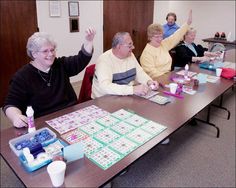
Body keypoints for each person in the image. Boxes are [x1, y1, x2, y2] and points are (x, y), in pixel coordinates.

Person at [3, 28, 96, 128]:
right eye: (45, 51)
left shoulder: (60, 64)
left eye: (52, 50)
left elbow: (81, 59)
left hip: (71, 116)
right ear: (34, 54)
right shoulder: (22, 76)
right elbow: (10, 104)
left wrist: (89, 41)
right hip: (43, 122)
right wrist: (16, 117)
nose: (51, 54)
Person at [91, 32, 159, 99]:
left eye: (132, 44)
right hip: (104, 99)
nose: (133, 47)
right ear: (119, 47)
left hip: (124, 96)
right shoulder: (104, 60)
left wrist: (149, 82)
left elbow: (139, 73)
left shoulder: (130, 55)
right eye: (129, 45)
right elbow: (106, 86)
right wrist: (132, 90)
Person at [140, 10, 192, 80]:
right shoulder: (146, 53)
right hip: (156, 81)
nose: (160, 39)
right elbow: (152, 73)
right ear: (150, 37)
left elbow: (175, 36)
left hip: (168, 77)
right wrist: (169, 78)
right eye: (156, 37)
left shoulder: (163, 44)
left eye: (161, 36)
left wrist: (187, 23)